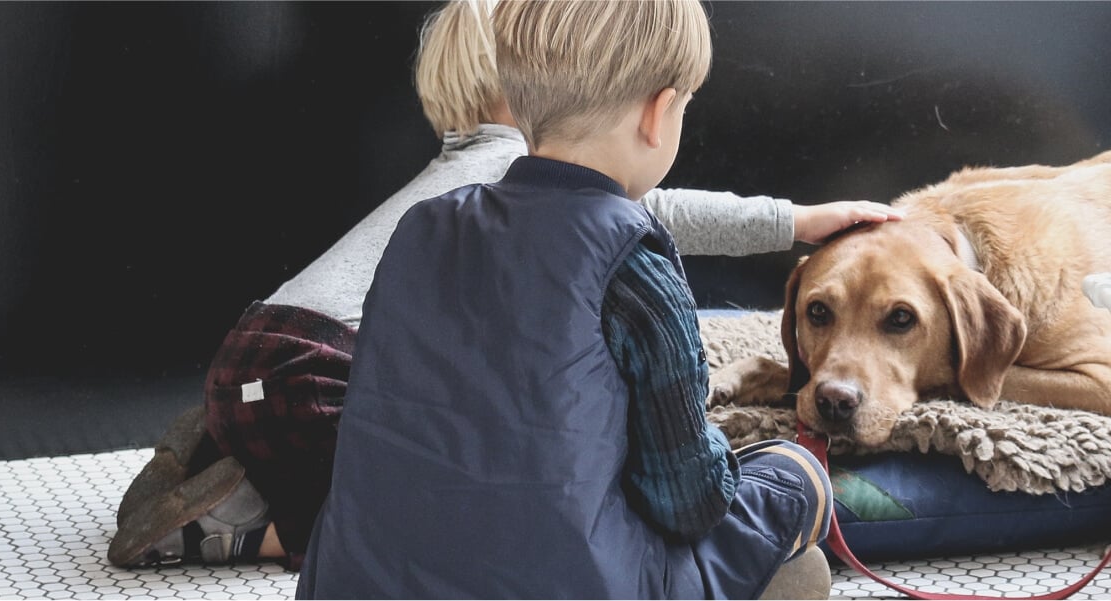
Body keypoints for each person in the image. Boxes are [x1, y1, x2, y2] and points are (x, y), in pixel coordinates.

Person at [108, 0, 901, 584]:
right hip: (573, 581)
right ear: (660, 114)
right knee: (789, 480)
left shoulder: (424, 226)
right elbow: (688, 502)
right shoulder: (635, 260)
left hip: (369, 575)